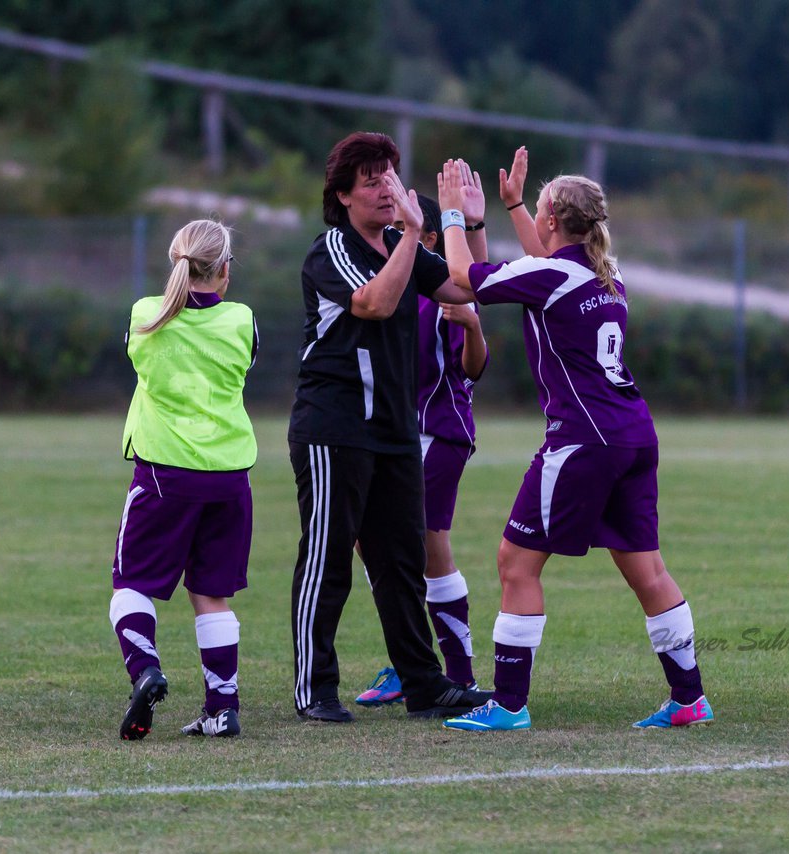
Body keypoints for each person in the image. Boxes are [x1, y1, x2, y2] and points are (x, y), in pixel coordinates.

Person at [436, 150, 715, 731]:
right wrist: (513, 203)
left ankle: (509, 705)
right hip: (634, 435)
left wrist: (453, 218)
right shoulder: (608, 279)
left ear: (555, 221)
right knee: (648, 570)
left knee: (516, 562)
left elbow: (461, 279)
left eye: (538, 209)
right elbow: (547, 267)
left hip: (582, 441)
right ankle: (689, 697)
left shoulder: (555, 277)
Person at [288, 131, 492, 722]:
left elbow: (468, 286)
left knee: (402, 560)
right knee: (328, 556)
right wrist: (410, 233)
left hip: (397, 431)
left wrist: (465, 223)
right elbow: (376, 302)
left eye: (390, 176)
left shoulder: (405, 247)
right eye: (371, 179)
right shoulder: (332, 250)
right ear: (343, 195)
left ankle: (424, 683)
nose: (385, 188)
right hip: (335, 428)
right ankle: (314, 688)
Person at [108, 219, 257, 740]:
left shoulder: (145, 315)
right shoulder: (242, 319)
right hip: (230, 477)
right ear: (224, 270)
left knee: (130, 585)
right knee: (212, 595)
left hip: (165, 473)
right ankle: (222, 706)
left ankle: (144, 669)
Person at [356, 193, 489, 707]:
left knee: (427, 547)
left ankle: (458, 674)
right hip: (395, 435)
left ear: (429, 240)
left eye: (405, 229)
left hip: (438, 432)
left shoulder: (441, 298)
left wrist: (474, 325)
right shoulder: (393, 290)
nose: (392, 235)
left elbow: (476, 366)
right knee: (373, 543)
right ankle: (410, 656)